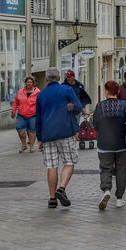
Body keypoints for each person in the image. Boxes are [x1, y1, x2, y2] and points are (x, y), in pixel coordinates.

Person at [35, 67, 83, 209]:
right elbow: (78, 107)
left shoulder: (41, 95)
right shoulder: (67, 90)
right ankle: (61, 188)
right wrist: (71, 107)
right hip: (65, 131)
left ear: (46, 79)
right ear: (59, 78)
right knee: (69, 161)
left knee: (51, 165)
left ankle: (52, 198)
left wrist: (40, 139)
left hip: (48, 134)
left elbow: (38, 119)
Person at [92, 81, 126, 210]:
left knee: (105, 168)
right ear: (118, 91)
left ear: (106, 91)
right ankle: (119, 199)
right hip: (121, 144)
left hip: (104, 144)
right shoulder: (123, 105)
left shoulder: (100, 106)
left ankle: (106, 190)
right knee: (121, 170)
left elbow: (96, 125)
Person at [11, 76, 40, 153]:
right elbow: (16, 102)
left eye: (30, 82)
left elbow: (40, 103)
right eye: (27, 82)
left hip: (33, 115)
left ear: (33, 84)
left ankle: (32, 147)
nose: (29, 84)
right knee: (20, 130)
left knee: (32, 131)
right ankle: (24, 145)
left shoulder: (38, 92)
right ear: (25, 83)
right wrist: (13, 111)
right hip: (21, 115)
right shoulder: (20, 92)